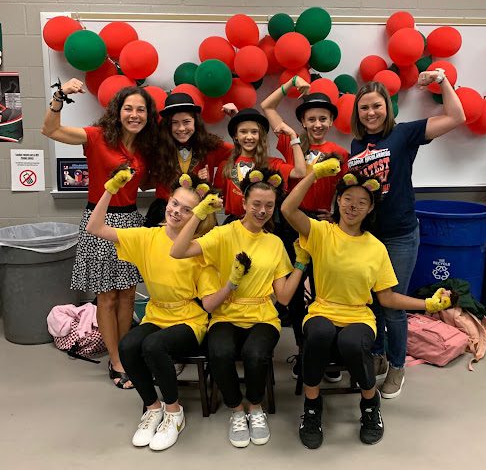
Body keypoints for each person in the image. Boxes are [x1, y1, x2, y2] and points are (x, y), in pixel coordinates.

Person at [280, 161, 455, 449]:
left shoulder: (376, 248)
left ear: (371, 208)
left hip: (359, 315)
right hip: (322, 309)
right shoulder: (322, 232)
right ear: (338, 201)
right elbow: (287, 210)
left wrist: (427, 304)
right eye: (348, 199)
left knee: (352, 342)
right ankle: (312, 409)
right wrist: (313, 174)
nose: (353, 206)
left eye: (362, 202)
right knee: (319, 334)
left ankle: (370, 406)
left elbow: (387, 298)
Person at [347, 69, 466, 398]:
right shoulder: (357, 144)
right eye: (364, 108)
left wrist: (443, 82)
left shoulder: (405, 134)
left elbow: (457, 116)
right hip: (368, 237)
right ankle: (378, 355)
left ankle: (398, 365)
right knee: (372, 302)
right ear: (357, 113)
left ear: (387, 107)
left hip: (399, 235)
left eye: (376, 106)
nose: (371, 113)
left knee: (393, 306)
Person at [86, 169, 223, 450]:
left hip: (189, 320)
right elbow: (95, 228)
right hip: (157, 314)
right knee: (128, 346)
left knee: (153, 346)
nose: (177, 212)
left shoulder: (197, 247)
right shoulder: (147, 237)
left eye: (187, 210)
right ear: (167, 201)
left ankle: (174, 412)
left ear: (195, 215)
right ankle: (152, 407)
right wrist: (109, 190)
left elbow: (209, 299)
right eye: (174, 204)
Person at [170, 168, 306, 448]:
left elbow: (282, 298)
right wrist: (198, 213)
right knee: (219, 352)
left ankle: (255, 407)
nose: (262, 211)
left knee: (256, 355)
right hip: (225, 314)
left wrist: (301, 264)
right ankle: (236, 410)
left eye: (269, 206)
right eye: (256, 204)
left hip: (263, 316)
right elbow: (178, 251)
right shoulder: (223, 234)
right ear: (244, 203)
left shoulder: (275, 243)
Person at [41, 77, 157, 389]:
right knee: (106, 298)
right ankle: (116, 361)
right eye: (128, 108)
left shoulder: (147, 148)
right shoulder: (96, 136)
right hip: (99, 220)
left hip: (131, 221)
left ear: (148, 115)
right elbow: (49, 130)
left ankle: (127, 353)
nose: (134, 114)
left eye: (141, 110)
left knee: (129, 294)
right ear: (118, 112)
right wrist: (59, 96)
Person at [261, 76, 349, 379]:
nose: (317, 123)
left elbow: (346, 190)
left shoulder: (339, 151)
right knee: (295, 291)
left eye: (323, 118)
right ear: (303, 121)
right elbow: (266, 106)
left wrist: (336, 217)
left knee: (325, 288)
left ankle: (327, 350)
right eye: (311, 118)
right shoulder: (290, 142)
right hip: (290, 223)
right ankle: (302, 349)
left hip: (322, 226)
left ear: (331, 121)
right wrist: (289, 85)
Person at [146, 92, 233, 226]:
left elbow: (243, 149)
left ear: (196, 123)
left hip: (199, 213)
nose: (181, 128)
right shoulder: (157, 148)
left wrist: (236, 118)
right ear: (168, 126)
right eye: (175, 123)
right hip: (165, 213)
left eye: (186, 122)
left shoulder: (209, 145)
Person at [214, 107, 306, 222]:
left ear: (260, 135)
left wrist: (293, 136)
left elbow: (300, 172)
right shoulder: (225, 166)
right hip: (233, 226)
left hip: (262, 225)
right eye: (243, 132)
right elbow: (216, 200)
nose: (249, 137)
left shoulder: (272, 164)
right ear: (235, 136)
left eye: (254, 132)